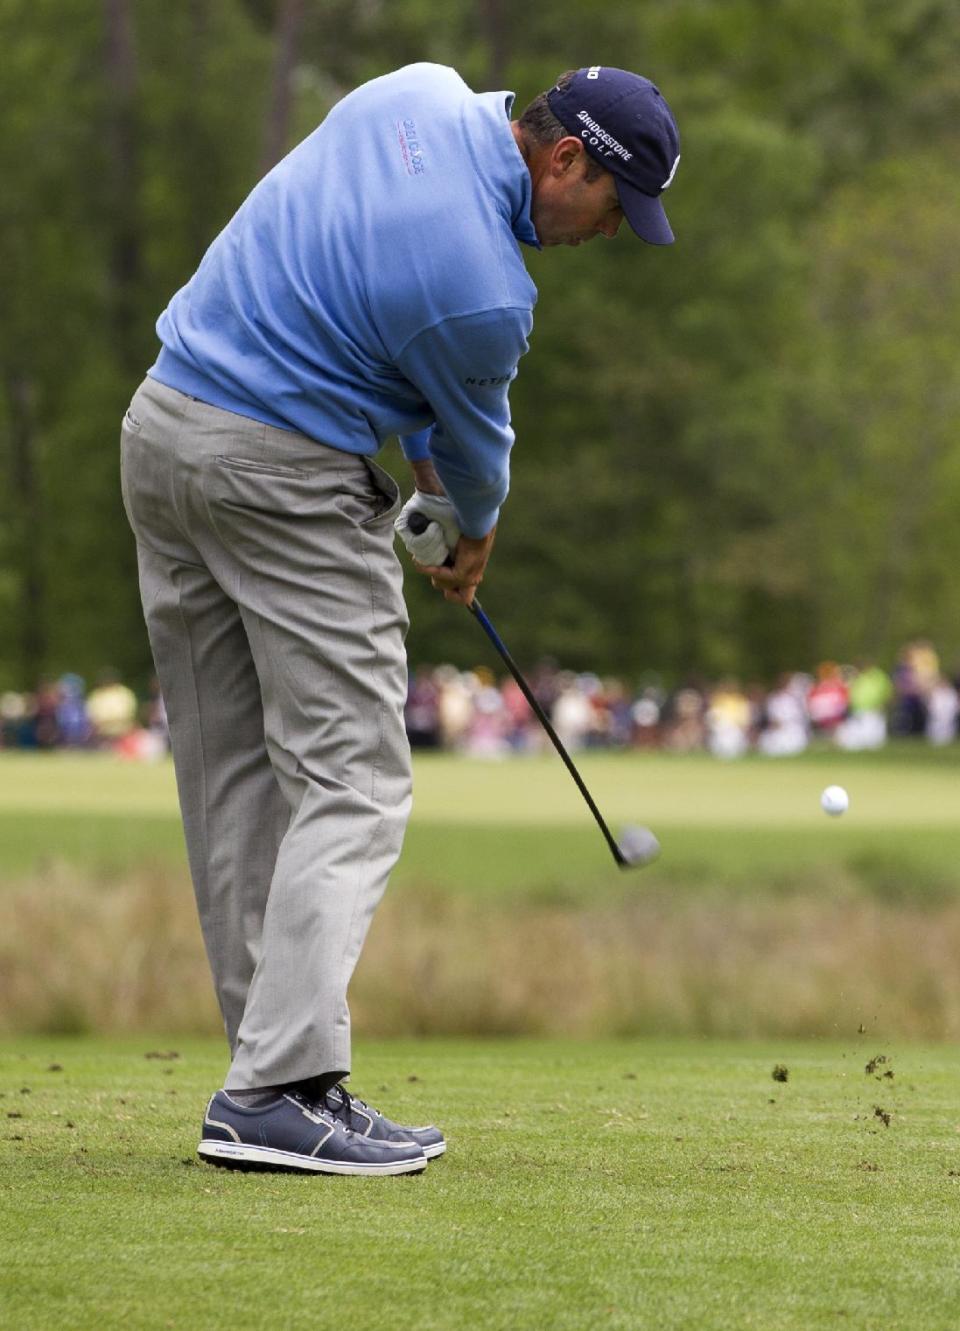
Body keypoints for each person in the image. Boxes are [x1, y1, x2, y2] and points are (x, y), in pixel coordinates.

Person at [120, 62, 680, 1176]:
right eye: (614, 208)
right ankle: (279, 1087)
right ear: (566, 159)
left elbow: (382, 334)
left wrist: (426, 478)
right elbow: (478, 463)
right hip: (277, 474)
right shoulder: (487, 288)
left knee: (232, 774)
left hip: (163, 429)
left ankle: (272, 1083)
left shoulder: (412, 92)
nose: (607, 233)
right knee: (355, 776)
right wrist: (465, 534)